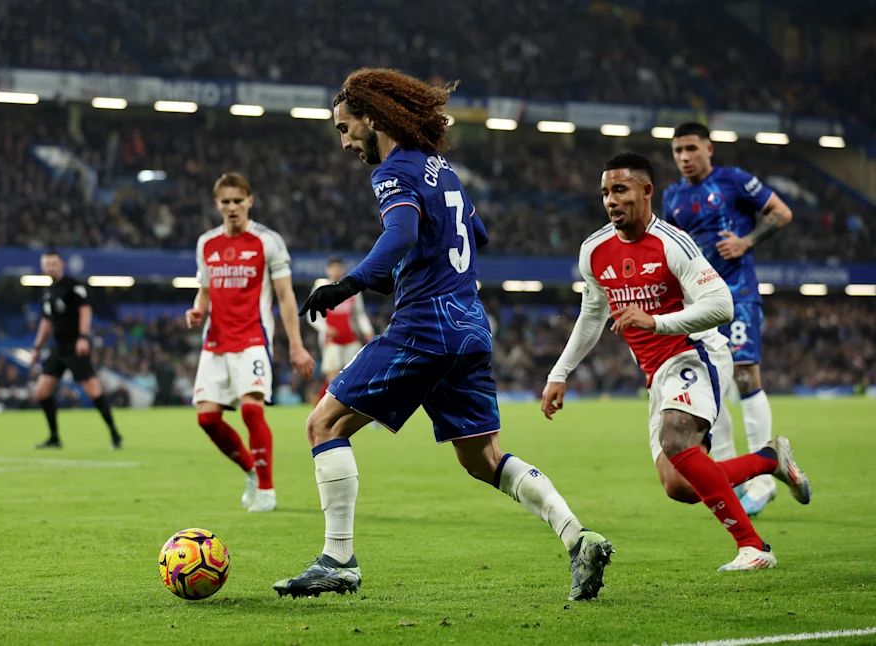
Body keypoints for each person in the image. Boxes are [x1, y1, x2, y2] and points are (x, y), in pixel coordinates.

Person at [273, 68, 613, 602]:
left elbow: (403, 231)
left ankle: (338, 560)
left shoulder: (392, 172)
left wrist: (349, 284)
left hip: (424, 326)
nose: (343, 142)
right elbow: (475, 233)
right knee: (482, 458)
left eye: (345, 128)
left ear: (371, 119)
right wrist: (407, 271)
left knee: (324, 422)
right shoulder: (442, 170)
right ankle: (577, 536)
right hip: (470, 326)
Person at [542, 152, 810, 572]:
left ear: (646, 191)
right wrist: (560, 373)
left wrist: (655, 320)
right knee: (679, 485)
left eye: (620, 190)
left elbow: (721, 305)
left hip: (695, 352)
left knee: (675, 440)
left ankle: (753, 547)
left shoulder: (672, 243)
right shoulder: (593, 251)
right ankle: (769, 460)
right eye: (605, 193)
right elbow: (592, 315)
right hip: (655, 373)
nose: (611, 201)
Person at [662, 122, 795, 516]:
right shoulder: (673, 197)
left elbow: (781, 213)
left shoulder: (733, 181)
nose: (684, 157)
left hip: (737, 295)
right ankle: (731, 479)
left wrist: (747, 241)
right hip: (698, 302)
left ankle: (764, 478)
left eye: (691, 148)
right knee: (712, 387)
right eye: (677, 151)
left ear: (709, 148)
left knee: (744, 375)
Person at [185, 172, 315, 514]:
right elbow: (205, 291)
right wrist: (198, 311)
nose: (232, 208)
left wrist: (296, 344)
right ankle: (252, 472)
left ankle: (268, 491)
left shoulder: (267, 241)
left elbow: (286, 296)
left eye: (237, 201)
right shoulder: (206, 244)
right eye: (225, 202)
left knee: (251, 409)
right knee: (207, 420)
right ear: (217, 205)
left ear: (249, 201)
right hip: (215, 341)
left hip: (253, 339)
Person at [28, 250, 122, 449]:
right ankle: (54, 438)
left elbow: (85, 311)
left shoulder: (73, 287)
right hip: (58, 347)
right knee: (42, 392)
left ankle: (114, 433)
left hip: (75, 346)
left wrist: (83, 337)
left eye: (53, 263)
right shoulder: (47, 292)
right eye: (46, 264)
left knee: (94, 390)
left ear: (61, 264)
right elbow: (46, 322)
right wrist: (37, 347)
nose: (49, 267)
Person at [308, 256, 375, 401]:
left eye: (339, 268)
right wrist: (325, 328)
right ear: (328, 270)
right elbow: (311, 314)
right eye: (333, 268)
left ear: (343, 269)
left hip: (350, 337)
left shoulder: (351, 288)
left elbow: (359, 313)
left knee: (357, 374)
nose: (336, 271)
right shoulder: (321, 287)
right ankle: (323, 406)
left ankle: (361, 406)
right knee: (333, 376)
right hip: (330, 339)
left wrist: (367, 330)